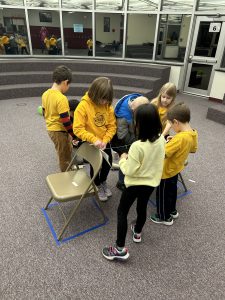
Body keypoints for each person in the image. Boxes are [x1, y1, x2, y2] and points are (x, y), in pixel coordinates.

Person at [102, 103, 165, 261]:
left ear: (139, 124)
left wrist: (123, 159)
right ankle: (137, 232)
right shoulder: (162, 140)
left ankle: (119, 249)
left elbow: (129, 170)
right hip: (151, 184)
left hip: (134, 185)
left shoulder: (137, 146)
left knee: (122, 212)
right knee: (142, 207)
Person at [150, 102, 198, 225]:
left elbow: (163, 154)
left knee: (162, 194)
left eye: (171, 125)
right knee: (172, 191)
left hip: (166, 172)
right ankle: (172, 211)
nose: (172, 128)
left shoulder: (179, 138)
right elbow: (193, 149)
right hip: (176, 169)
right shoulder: (193, 133)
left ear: (176, 122)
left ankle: (163, 217)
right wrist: (175, 143)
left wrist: (165, 144)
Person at [73, 77, 116, 201]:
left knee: (108, 164)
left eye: (107, 99)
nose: (104, 102)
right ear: (94, 94)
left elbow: (112, 126)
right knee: (95, 166)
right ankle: (96, 184)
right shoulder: (83, 106)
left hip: (104, 143)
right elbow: (78, 129)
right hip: (91, 143)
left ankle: (103, 182)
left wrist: (106, 139)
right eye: (102, 99)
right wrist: (93, 139)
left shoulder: (108, 106)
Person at [42, 65, 77, 172]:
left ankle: (69, 166)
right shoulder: (61, 98)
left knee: (65, 149)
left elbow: (44, 112)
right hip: (59, 131)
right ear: (65, 82)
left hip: (51, 129)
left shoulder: (45, 94)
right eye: (69, 85)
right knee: (64, 156)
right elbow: (66, 121)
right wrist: (73, 135)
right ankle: (66, 175)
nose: (68, 87)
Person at [111, 93, 150, 191]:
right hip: (121, 141)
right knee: (126, 158)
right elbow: (122, 135)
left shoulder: (138, 102)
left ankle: (133, 176)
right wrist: (137, 142)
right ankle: (121, 182)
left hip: (133, 137)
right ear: (134, 110)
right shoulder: (123, 116)